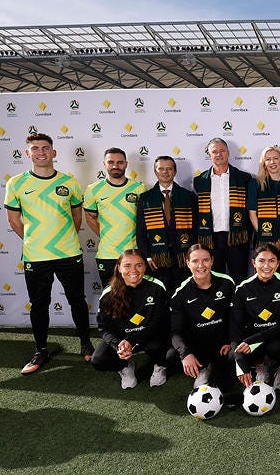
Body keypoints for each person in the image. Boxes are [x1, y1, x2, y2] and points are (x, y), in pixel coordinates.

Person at [4, 132, 94, 374]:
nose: (41, 152)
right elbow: (13, 220)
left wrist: (63, 239)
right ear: (28, 153)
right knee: (39, 305)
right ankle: (41, 350)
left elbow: (77, 217)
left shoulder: (69, 182)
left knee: (77, 300)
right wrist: (35, 241)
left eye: (45, 148)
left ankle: (86, 345)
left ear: (53, 152)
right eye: (35, 148)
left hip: (68, 253)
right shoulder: (16, 183)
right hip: (36, 256)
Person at [91, 249, 170, 389]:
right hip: (123, 338)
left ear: (145, 267)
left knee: (158, 347)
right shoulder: (108, 294)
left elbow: (159, 322)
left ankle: (160, 365)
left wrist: (133, 340)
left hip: (149, 334)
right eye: (127, 265)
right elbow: (104, 328)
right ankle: (125, 366)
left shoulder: (157, 287)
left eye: (139, 265)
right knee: (98, 360)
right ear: (119, 267)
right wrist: (119, 345)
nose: (133, 270)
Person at [230, 243, 280, 390]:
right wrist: (239, 356)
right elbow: (235, 324)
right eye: (261, 261)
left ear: (278, 263)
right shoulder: (242, 288)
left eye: (272, 261)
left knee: (276, 348)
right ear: (253, 262)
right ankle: (261, 365)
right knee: (235, 353)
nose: (266, 265)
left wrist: (252, 340)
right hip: (255, 335)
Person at [170, 244, 235, 389]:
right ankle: (203, 367)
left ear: (212, 261)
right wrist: (185, 354)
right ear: (187, 263)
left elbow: (236, 317)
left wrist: (231, 340)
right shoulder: (180, 293)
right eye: (194, 261)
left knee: (226, 386)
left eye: (205, 260)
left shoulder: (227, 283)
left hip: (222, 345)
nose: (200, 265)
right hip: (198, 345)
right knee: (172, 356)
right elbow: (175, 330)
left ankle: (217, 366)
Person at [84, 147, 146, 285]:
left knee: (136, 298)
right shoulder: (93, 189)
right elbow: (90, 218)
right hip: (107, 254)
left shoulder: (138, 188)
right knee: (110, 299)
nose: (115, 166)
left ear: (126, 164)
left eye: (120, 162)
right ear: (104, 163)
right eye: (111, 162)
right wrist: (108, 236)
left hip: (134, 253)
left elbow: (143, 221)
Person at [193, 138, 252, 285]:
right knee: (215, 279)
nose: (218, 154)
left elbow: (249, 210)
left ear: (228, 153)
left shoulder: (244, 178)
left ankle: (238, 307)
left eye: (222, 151)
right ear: (209, 154)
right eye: (214, 152)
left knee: (239, 278)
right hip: (211, 238)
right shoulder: (200, 181)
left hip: (237, 237)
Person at [136, 155, 197, 295]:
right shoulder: (146, 198)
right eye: (161, 169)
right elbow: (141, 231)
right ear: (155, 172)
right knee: (161, 295)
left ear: (174, 172)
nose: (165, 172)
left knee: (183, 294)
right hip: (157, 258)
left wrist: (192, 255)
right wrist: (147, 257)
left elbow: (195, 229)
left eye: (169, 169)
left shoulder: (188, 196)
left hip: (183, 256)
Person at [246, 146, 280, 282]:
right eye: (268, 159)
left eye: (276, 158)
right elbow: (253, 214)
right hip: (265, 241)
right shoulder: (255, 183)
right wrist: (264, 236)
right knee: (265, 278)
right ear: (263, 163)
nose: (272, 162)